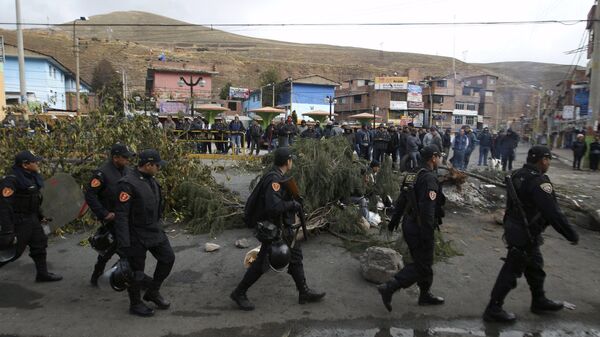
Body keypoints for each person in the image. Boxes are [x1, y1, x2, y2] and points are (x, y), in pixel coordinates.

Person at [483, 146, 579, 323]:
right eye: (548, 159)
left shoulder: (518, 174)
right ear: (543, 160)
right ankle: (493, 308)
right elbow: (553, 212)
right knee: (511, 271)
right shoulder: (539, 181)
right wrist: (570, 234)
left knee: (535, 266)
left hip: (517, 228)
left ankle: (539, 300)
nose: (548, 163)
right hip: (524, 232)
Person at [230, 147, 325, 311]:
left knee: (295, 256)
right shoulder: (274, 180)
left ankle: (304, 292)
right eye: (291, 160)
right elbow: (273, 207)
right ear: (288, 161)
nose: (292, 162)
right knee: (263, 262)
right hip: (273, 229)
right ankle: (239, 292)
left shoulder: (277, 176)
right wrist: (292, 204)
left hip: (281, 227)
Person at [378, 145, 446, 311]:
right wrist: (427, 233)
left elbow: (402, 199)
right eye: (440, 157)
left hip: (409, 223)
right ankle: (390, 287)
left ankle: (424, 295)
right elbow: (428, 210)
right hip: (420, 226)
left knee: (423, 262)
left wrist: (395, 220)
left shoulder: (412, 174)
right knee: (423, 264)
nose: (440, 160)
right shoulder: (429, 178)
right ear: (433, 157)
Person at [114, 149, 175, 317]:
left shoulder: (151, 179)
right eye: (157, 166)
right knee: (137, 272)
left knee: (168, 258)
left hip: (154, 230)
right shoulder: (127, 184)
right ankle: (135, 304)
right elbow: (121, 216)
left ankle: (153, 291)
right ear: (148, 165)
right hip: (136, 235)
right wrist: (124, 244)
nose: (159, 168)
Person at [0, 151, 62, 282]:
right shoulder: (11, 180)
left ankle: (42, 274)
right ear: (25, 165)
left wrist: (40, 216)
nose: (37, 163)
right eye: (34, 162)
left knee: (39, 244)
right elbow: (4, 207)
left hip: (32, 218)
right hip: (19, 221)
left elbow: (33, 199)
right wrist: (7, 231)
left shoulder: (31, 177)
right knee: (13, 253)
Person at [86, 144, 135, 286]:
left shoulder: (128, 171)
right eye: (125, 157)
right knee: (118, 249)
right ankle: (127, 278)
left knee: (117, 247)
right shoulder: (102, 174)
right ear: (115, 158)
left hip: (125, 217)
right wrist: (104, 213)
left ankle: (101, 275)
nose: (128, 160)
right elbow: (90, 195)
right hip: (112, 218)